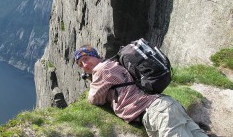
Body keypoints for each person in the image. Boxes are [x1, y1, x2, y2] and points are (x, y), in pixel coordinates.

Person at [74, 45, 208, 137]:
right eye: (80, 64)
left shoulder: (101, 70)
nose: (85, 65)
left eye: (86, 59)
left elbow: (94, 99)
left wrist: (94, 82)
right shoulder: (115, 63)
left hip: (157, 112)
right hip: (167, 105)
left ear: (96, 56)